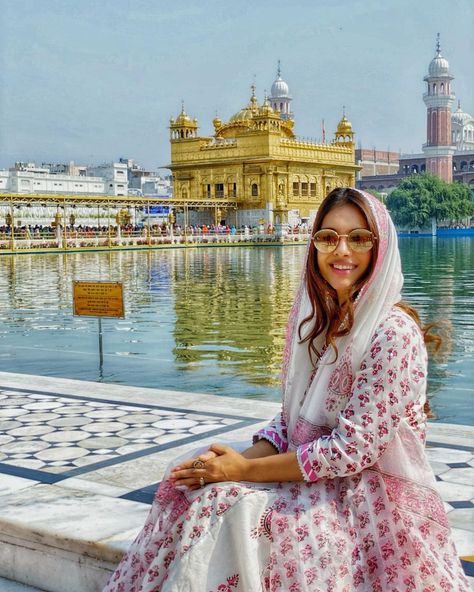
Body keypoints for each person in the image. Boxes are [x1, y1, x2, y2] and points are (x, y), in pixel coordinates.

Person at [103, 188, 469, 592]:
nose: (341, 250)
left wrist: (242, 470)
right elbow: (292, 420)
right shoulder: (323, 321)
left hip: (370, 500)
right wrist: (231, 461)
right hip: (322, 477)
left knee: (225, 504)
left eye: (359, 238)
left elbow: (350, 451)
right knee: (190, 476)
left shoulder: (391, 332)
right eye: (328, 237)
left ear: (380, 246)